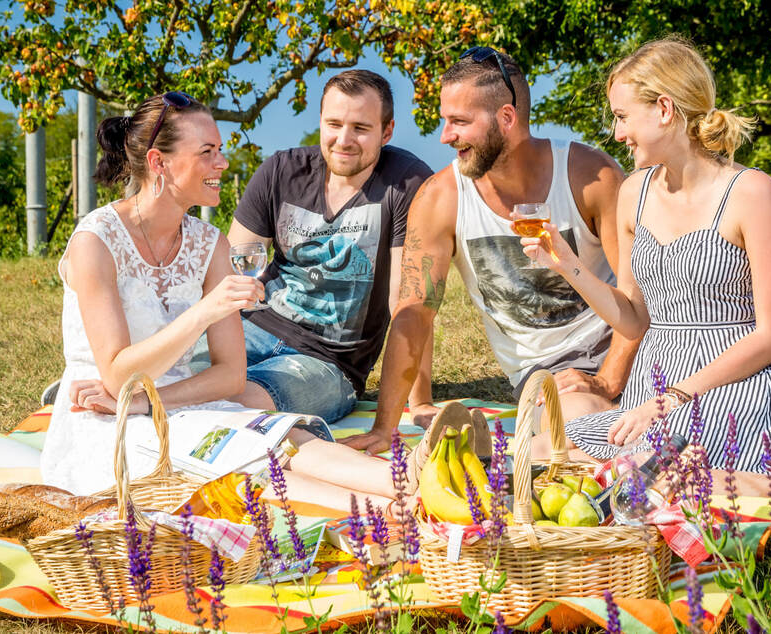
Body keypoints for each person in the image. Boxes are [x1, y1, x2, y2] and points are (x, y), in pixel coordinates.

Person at [38, 92, 463, 511]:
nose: (222, 163)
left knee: (275, 432)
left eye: (219, 150)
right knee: (233, 460)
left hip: (172, 399)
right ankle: (388, 513)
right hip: (108, 419)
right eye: (208, 153)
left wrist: (415, 403)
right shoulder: (96, 241)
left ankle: (411, 478)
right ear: (158, 163)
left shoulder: (208, 243)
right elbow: (117, 377)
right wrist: (206, 311)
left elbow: (230, 377)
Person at [342, 48, 639, 455]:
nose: (445, 136)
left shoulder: (591, 175)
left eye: (459, 122)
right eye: (445, 121)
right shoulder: (440, 199)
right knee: (581, 428)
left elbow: (642, 292)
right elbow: (413, 313)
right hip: (550, 378)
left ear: (506, 118)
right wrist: (384, 427)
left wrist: (609, 379)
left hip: (635, 351)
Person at [522, 38, 771, 472]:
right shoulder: (635, 192)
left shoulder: (751, 193)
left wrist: (673, 399)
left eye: (622, 116)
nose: (617, 133)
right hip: (657, 377)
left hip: (733, 383)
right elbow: (634, 318)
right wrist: (565, 263)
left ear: (664, 110)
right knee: (543, 452)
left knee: (653, 471)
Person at [225, 70, 436, 425]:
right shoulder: (280, 170)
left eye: (360, 128)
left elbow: (409, 301)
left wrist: (420, 403)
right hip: (250, 327)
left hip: (328, 362)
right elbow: (233, 267)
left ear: (387, 131)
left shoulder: (408, 184)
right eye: (333, 124)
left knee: (238, 407)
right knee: (170, 382)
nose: (344, 139)